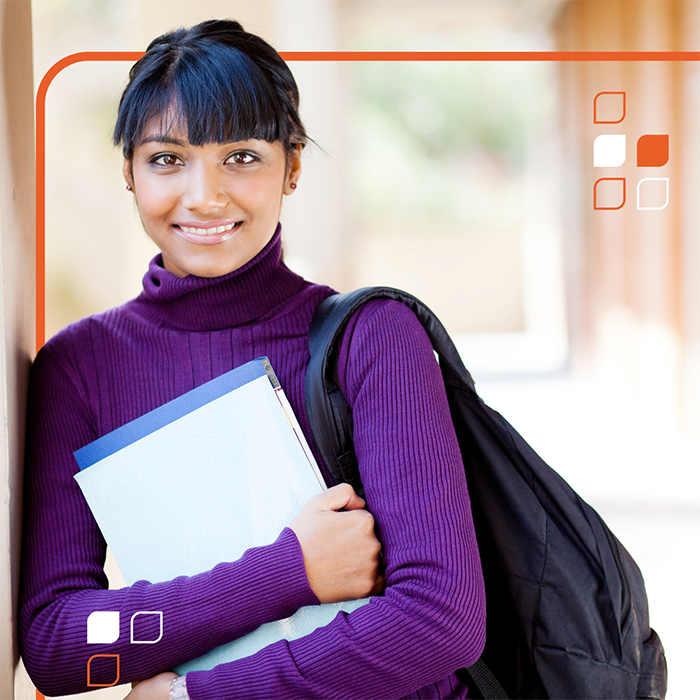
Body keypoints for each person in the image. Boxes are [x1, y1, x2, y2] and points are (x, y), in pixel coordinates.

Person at [20, 19, 486, 700]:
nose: (204, 196)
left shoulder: (372, 338)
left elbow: (441, 620)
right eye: (166, 158)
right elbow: (63, 643)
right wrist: (287, 570)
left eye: (241, 157)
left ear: (292, 166)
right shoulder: (79, 368)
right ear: (128, 171)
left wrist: (193, 696)